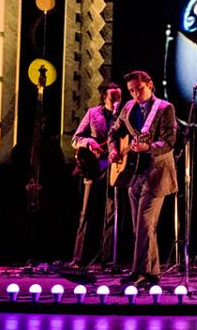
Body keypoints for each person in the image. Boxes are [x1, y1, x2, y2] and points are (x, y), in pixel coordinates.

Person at [107, 70, 177, 286]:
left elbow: (169, 141)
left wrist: (148, 146)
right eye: (131, 91)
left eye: (139, 89)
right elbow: (113, 132)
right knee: (141, 227)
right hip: (134, 173)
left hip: (157, 173)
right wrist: (112, 150)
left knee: (145, 224)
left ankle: (139, 272)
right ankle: (152, 273)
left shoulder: (165, 108)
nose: (135, 94)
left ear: (150, 84)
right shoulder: (128, 108)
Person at [70, 80, 121, 268]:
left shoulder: (124, 115)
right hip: (94, 167)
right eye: (113, 96)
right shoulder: (93, 113)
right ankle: (78, 258)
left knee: (111, 214)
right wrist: (89, 143)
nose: (116, 100)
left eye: (119, 96)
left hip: (115, 167)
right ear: (104, 96)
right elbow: (76, 139)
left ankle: (107, 259)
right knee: (86, 213)